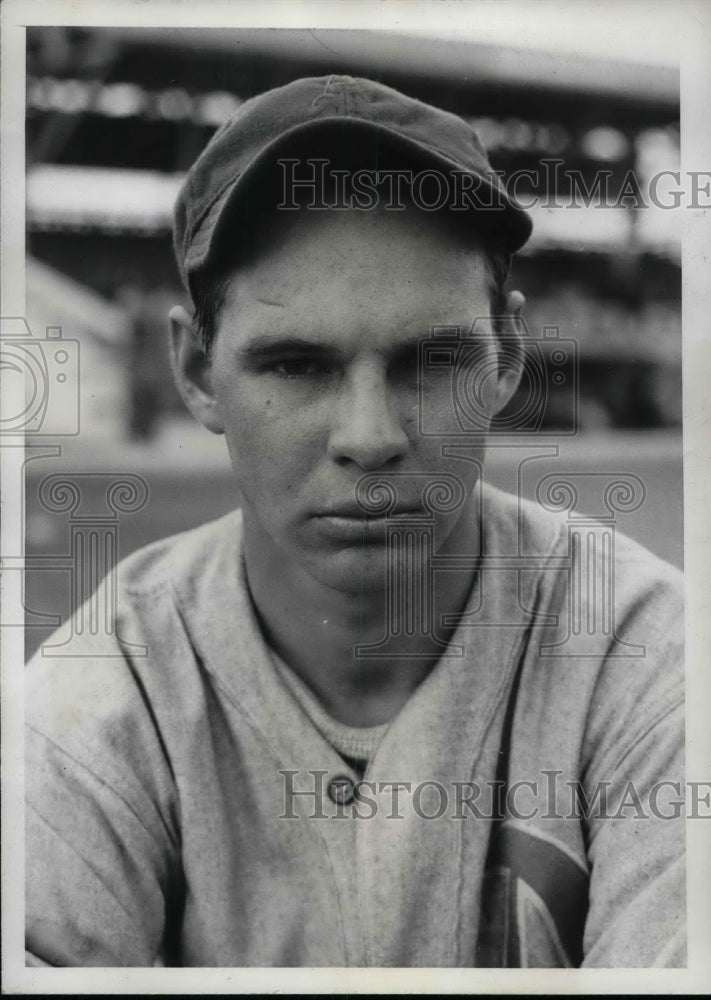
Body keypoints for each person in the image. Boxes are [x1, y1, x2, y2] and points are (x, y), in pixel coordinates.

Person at [25, 75, 684, 968]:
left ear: (508, 359)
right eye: (296, 366)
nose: (370, 438)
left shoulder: (650, 662)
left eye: (431, 361)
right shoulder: (92, 703)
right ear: (193, 369)